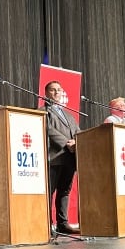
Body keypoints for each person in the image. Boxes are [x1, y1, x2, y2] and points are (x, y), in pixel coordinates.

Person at [41, 81, 81, 234]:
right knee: (50, 191)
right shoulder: (43, 111)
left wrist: (77, 142)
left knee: (64, 191)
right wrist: (67, 143)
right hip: (55, 157)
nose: (57, 92)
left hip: (70, 158)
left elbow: (78, 131)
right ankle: (47, 223)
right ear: (46, 93)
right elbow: (48, 129)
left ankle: (62, 223)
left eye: (59, 90)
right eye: (53, 90)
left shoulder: (69, 115)